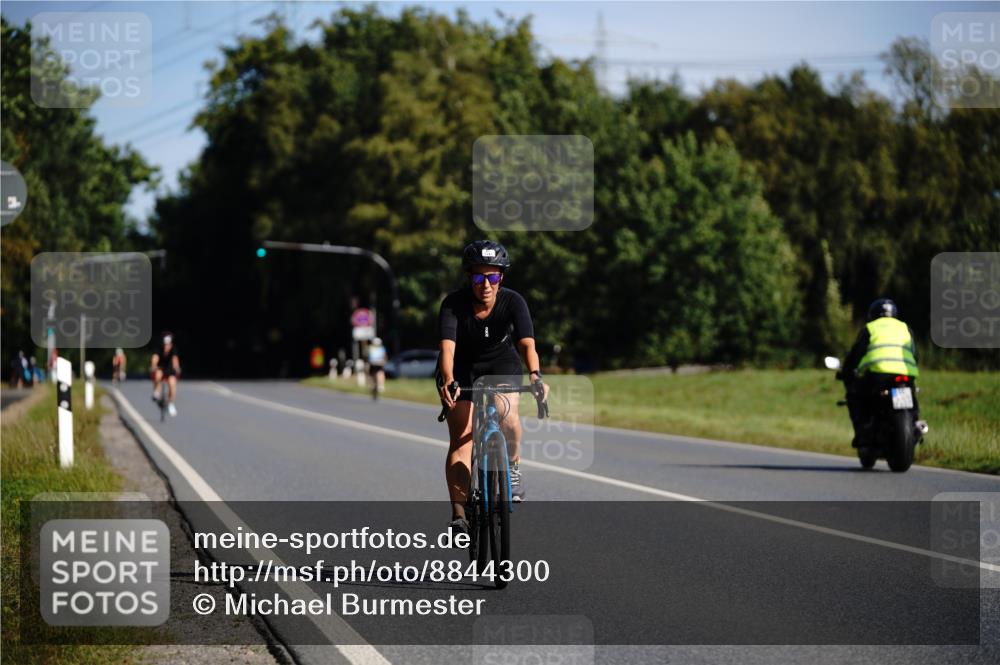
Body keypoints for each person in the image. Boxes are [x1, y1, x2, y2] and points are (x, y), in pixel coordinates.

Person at [437, 240, 548, 536]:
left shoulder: (513, 301)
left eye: (492, 277)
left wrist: (535, 375)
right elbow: (447, 349)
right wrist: (448, 379)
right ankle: (459, 514)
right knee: (462, 441)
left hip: (501, 364)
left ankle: (511, 468)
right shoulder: (454, 304)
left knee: (507, 415)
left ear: (502, 278)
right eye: (478, 277)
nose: (485, 284)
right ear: (468, 277)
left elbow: (527, 344)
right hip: (461, 368)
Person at [842, 298, 925, 445]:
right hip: (905, 374)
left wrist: (847, 371)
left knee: (856, 396)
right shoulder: (905, 328)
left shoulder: (870, 328)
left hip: (878, 374)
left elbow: (856, 354)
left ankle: (862, 431)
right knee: (911, 402)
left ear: (872, 314)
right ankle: (916, 423)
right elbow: (914, 354)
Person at [150, 332, 181, 417]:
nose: (166, 346)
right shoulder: (158, 348)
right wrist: (153, 366)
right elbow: (155, 358)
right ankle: (156, 391)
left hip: (170, 369)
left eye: (168, 344)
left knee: (172, 384)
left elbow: (175, 360)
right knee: (158, 375)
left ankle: (171, 404)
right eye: (165, 344)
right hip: (160, 367)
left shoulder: (173, 349)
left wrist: (176, 368)